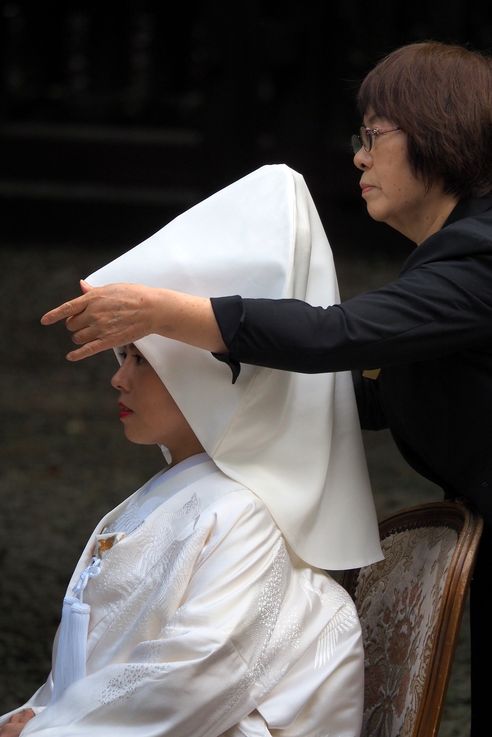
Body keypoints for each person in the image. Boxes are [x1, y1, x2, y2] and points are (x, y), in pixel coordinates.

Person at [41, 41, 492, 736]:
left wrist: (166, 313)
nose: (359, 159)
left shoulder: (481, 254)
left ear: (439, 129)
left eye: (373, 136)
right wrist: (208, 374)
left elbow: (332, 335)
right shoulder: (448, 265)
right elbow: (346, 390)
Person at [4, 165, 383, 737]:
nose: (119, 380)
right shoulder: (160, 501)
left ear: (207, 378)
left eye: (141, 359)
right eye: (122, 359)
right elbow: (88, 673)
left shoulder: (249, 513)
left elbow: (194, 676)